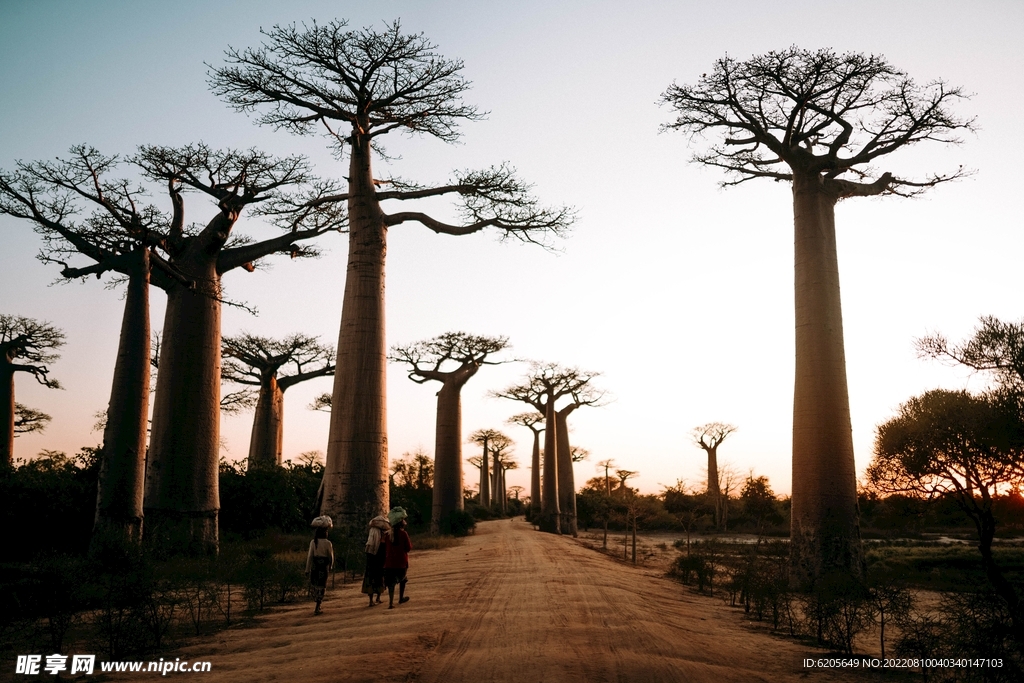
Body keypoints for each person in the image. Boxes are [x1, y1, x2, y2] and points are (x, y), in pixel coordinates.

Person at [383, 517, 412, 609]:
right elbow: (408, 547)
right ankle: (401, 598)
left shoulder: (387, 534)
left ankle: (391, 603)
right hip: (401, 562)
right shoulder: (403, 534)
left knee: (391, 582)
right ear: (401, 523)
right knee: (403, 578)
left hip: (389, 563)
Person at [361, 515, 390, 607]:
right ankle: (376, 598)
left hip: (374, 560)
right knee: (377, 579)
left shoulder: (373, 534)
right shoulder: (381, 534)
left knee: (373, 579)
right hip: (377, 560)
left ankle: (374, 599)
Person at [306, 523, 334, 615]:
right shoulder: (328, 543)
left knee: (315, 585)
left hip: (315, 567)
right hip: (323, 567)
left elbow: (310, 557)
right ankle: (318, 606)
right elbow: (330, 557)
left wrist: (307, 569)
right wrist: (330, 566)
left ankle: (317, 605)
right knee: (322, 586)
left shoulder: (313, 542)